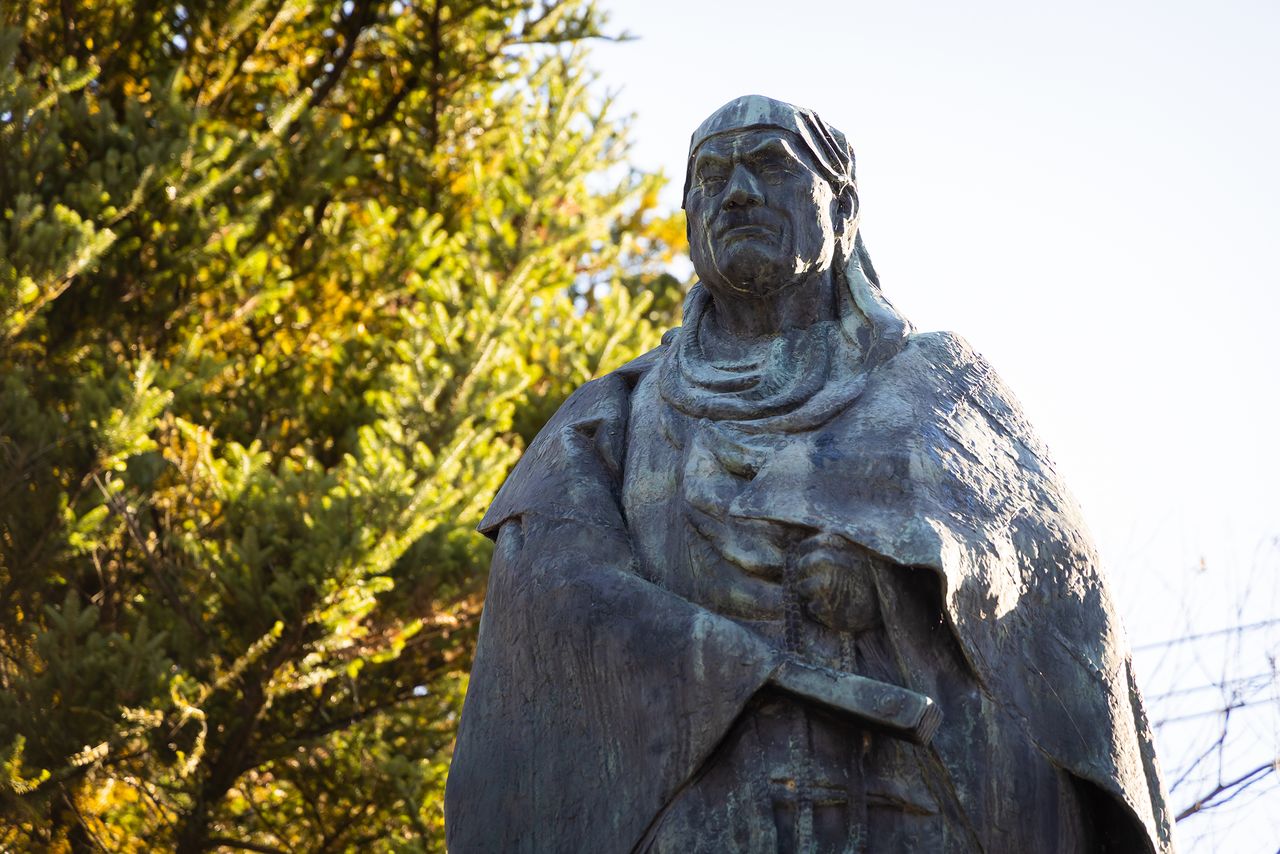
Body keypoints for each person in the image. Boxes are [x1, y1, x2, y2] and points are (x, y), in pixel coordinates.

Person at [445, 95, 1174, 853]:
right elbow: (551, 602)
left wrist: (898, 580)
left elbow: (1047, 578)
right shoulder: (613, 419)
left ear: (844, 208)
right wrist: (714, 655)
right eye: (712, 177)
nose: (738, 194)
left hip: (910, 802)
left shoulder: (932, 382)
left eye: (769, 166)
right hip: (697, 817)